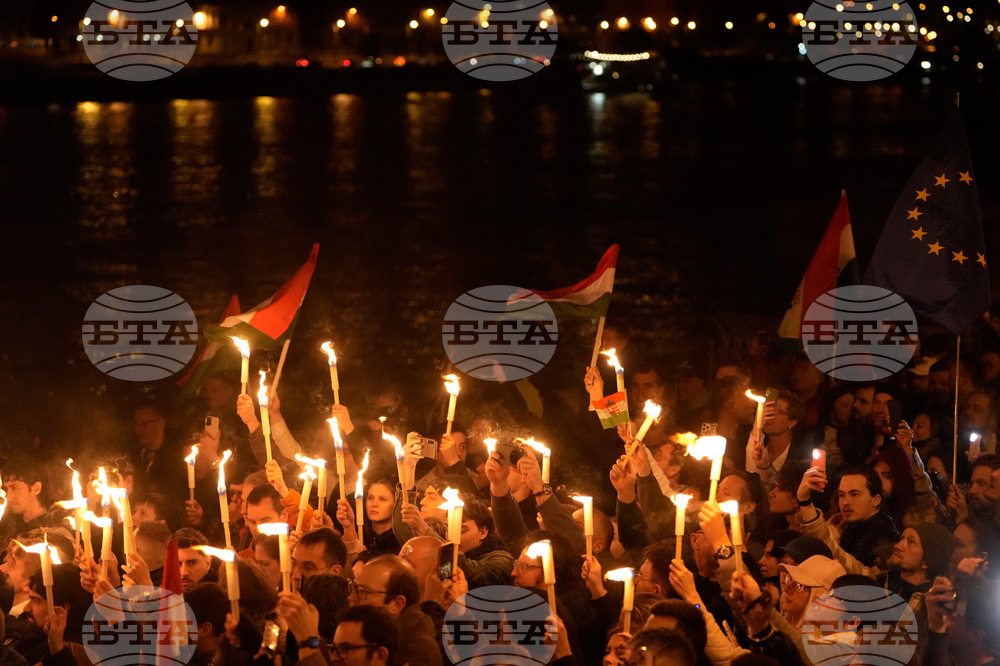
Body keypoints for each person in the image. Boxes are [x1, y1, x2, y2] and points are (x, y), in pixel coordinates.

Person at [349, 554, 442, 666]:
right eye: (354, 587)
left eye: (363, 591)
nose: (351, 597)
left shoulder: (416, 650)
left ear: (397, 604)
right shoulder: (378, 632)